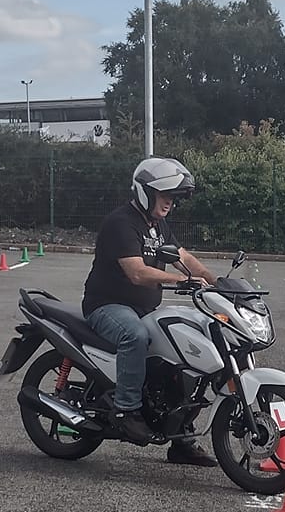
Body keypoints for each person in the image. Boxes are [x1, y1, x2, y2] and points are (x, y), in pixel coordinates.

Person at [82, 157, 217, 459]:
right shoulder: (121, 223)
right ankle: (126, 410)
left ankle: (181, 438)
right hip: (107, 306)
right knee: (135, 335)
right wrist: (183, 280)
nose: (169, 202)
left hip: (143, 309)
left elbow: (183, 257)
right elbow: (137, 273)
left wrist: (215, 281)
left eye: (173, 196)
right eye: (164, 194)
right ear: (146, 192)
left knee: (182, 345)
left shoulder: (158, 226)